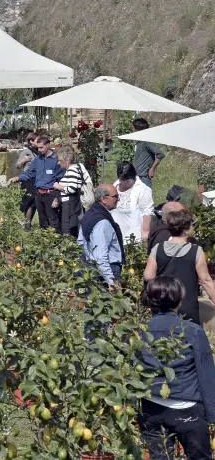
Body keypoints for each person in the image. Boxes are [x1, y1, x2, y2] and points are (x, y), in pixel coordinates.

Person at [138, 276, 215, 459]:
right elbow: (206, 376)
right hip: (187, 410)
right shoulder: (192, 330)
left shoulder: (140, 331)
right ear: (179, 300)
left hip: (152, 409)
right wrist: (212, 416)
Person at [143, 208, 215, 325]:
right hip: (186, 304)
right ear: (186, 229)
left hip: (163, 304)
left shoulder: (158, 248)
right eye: (192, 224)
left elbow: (148, 276)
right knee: (188, 338)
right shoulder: (196, 251)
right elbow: (205, 280)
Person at [8, 135, 64, 232]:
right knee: (42, 221)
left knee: (52, 220)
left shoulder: (56, 160)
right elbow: (29, 173)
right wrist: (17, 178)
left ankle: (55, 242)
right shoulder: (38, 159)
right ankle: (44, 242)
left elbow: (61, 180)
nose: (39, 150)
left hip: (51, 194)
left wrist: (57, 198)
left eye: (41, 147)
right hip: (39, 194)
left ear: (48, 145)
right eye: (38, 147)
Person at [77, 184, 125, 288]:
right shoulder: (102, 222)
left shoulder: (89, 214)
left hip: (90, 268)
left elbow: (80, 242)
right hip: (104, 272)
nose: (118, 199)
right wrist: (111, 282)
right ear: (103, 199)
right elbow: (101, 256)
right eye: (115, 196)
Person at [112, 161, 154, 243]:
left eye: (126, 180)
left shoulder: (143, 190)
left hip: (131, 235)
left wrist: (145, 232)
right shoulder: (116, 185)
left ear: (133, 177)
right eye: (121, 180)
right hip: (115, 233)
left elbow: (147, 212)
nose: (123, 182)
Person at [52, 146, 89, 237]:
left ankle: (69, 248)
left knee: (67, 229)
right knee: (67, 228)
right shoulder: (71, 169)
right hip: (68, 203)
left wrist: (58, 186)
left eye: (60, 160)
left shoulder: (72, 170)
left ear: (67, 160)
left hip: (69, 204)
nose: (58, 163)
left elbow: (71, 188)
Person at [132, 118, 165, 188]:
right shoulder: (140, 142)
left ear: (138, 130)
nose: (132, 130)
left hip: (144, 178)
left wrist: (152, 168)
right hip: (137, 177)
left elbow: (160, 154)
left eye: (134, 128)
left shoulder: (146, 141)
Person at [16, 132, 39, 231]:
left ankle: (28, 223)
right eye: (37, 140)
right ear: (31, 141)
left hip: (37, 180)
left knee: (34, 203)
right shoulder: (26, 151)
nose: (39, 142)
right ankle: (27, 225)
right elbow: (17, 166)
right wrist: (24, 160)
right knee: (29, 203)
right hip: (28, 180)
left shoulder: (39, 151)